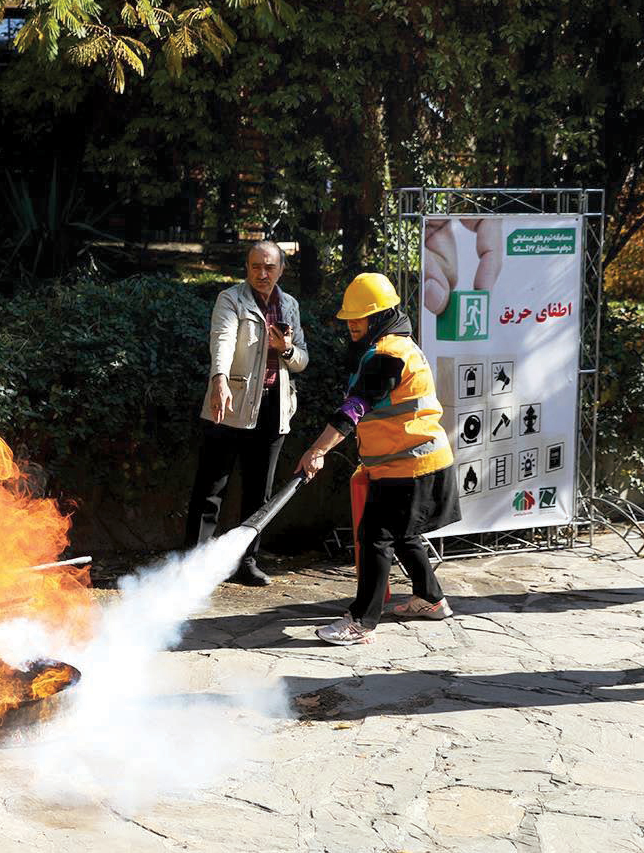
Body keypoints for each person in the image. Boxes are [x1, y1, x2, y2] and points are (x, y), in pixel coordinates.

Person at [294, 272, 461, 645]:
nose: (353, 325)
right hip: (412, 462)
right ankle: (431, 599)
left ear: (381, 315)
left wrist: (317, 449)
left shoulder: (388, 354)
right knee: (404, 535)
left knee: (374, 537)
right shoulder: (392, 345)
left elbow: (355, 408)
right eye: (350, 318)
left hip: (412, 465)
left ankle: (360, 621)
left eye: (360, 317)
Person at [186, 240, 309, 586]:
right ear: (247, 268)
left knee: (260, 492)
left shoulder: (290, 306)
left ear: (281, 269)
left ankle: (247, 562)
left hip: (275, 406)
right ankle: (194, 567)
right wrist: (219, 379)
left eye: (269, 267)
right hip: (229, 402)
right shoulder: (231, 299)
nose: (262, 273)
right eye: (256, 266)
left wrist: (285, 349)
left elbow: (302, 360)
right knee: (211, 487)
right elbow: (221, 340)